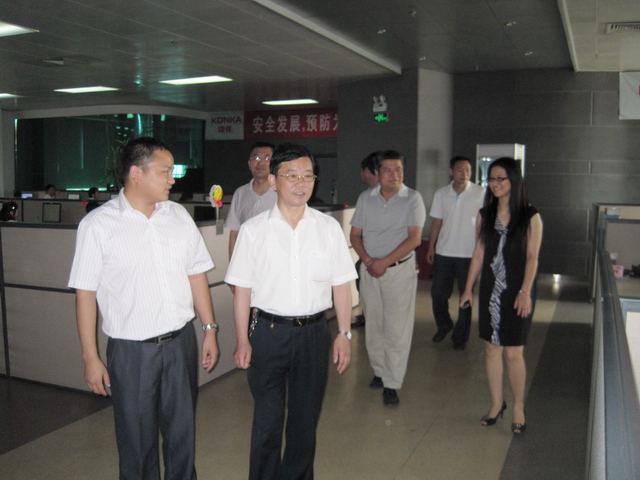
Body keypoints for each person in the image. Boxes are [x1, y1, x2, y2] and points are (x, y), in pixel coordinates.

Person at [68, 137, 220, 479]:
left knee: (182, 434)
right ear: (136, 173)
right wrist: (91, 358)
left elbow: (196, 274)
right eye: (165, 171)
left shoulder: (178, 215)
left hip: (180, 343)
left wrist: (209, 329)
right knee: (137, 442)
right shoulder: (98, 225)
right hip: (132, 352)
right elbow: (85, 294)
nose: (172, 179)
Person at [226, 143, 356, 480]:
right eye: (292, 176)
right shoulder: (254, 230)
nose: (301, 183)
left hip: (314, 334)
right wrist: (242, 340)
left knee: (304, 421)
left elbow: (342, 284)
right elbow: (242, 291)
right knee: (267, 421)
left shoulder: (327, 228)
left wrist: (344, 333)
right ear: (273, 181)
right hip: (268, 334)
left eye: (308, 176)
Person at [459, 157, 543, 436]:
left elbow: (532, 257)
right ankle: (497, 403)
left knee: (514, 352)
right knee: (491, 348)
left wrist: (525, 291)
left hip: (519, 289)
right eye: (491, 179)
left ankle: (518, 406)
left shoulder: (530, 216)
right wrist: (468, 288)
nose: (494, 184)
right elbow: (479, 253)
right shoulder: (485, 214)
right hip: (492, 288)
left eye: (500, 179)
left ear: (513, 180)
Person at [350, 150, 426, 407]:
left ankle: (392, 383)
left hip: (398, 271)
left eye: (398, 170)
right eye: (388, 170)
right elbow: (355, 235)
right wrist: (369, 260)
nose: (394, 175)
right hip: (370, 269)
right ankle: (380, 371)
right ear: (377, 173)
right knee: (374, 325)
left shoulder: (412, 198)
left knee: (396, 329)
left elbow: (414, 238)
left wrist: (384, 262)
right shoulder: (366, 198)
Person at [427, 156, 485, 350]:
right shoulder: (441, 194)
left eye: (468, 170)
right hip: (444, 252)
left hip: (469, 255)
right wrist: (431, 246)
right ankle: (444, 325)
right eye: (460, 169)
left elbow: (485, 224)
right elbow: (436, 222)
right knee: (438, 294)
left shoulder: (480, 193)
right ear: (451, 171)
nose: (464, 173)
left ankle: (460, 337)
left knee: (465, 296)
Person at [226, 141, 277, 261]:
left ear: (275, 164)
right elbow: (235, 233)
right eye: (256, 158)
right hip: (247, 259)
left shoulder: (283, 192)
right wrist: (233, 265)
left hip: (275, 260)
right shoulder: (240, 193)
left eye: (267, 158)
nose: (261, 163)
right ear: (249, 164)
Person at [351, 151, 380, 328]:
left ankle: (371, 316)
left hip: (378, 253)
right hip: (368, 252)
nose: (361, 175)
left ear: (369, 172)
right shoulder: (366, 195)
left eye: (362, 171)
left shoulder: (377, 195)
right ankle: (368, 314)